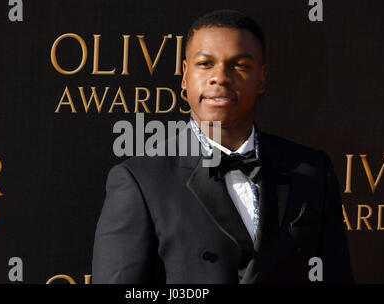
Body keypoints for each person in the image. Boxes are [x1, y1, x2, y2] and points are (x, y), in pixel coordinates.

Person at [92, 9, 354, 284]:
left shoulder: (311, 171)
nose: (221, 77)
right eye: (205, 64)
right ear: (185, 75)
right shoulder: (141, 180)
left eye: (239, 65)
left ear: (262, 78)